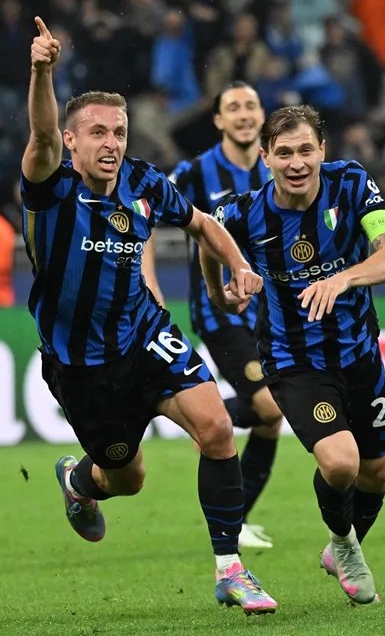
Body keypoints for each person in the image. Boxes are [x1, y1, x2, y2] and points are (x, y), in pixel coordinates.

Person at [21, 17, 277, 614]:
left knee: (215, 429)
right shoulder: (51, 186)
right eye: (98, 133)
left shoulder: (143, 182)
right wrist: (42, 71)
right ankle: (80, 482)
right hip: (82, 365)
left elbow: (204, 224)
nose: (111, 143)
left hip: (145, 334)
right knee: (126, 478)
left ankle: (230, 569)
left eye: (119, 131)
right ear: (72, 140)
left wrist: (238, 267)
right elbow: (37, 138)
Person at [201, 104, 385, 605]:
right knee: (341, 463)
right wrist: (218, 290)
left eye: (305, 150)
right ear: (267, 158)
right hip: (295, 361)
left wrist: (342, 278)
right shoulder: (245, 211)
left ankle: (342, 545)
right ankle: (344, 544)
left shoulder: (353, 185)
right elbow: (207, 235)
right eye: (284, 152)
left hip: (359, 352)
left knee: (375, 471)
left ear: (323, 151)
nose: (297, 162)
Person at [141, 81, 283, 550]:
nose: (243, 114)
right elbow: (144, 215)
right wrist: (151, 285)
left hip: (271, 313)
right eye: (232, 108)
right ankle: (207, 415)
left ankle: (236, 520)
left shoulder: (279, 169)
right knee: (267, 405)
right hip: (220, 313)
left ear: (261, 117)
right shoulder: (196, 172)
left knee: (269, 419)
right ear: (219, 120)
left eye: (250, 105)